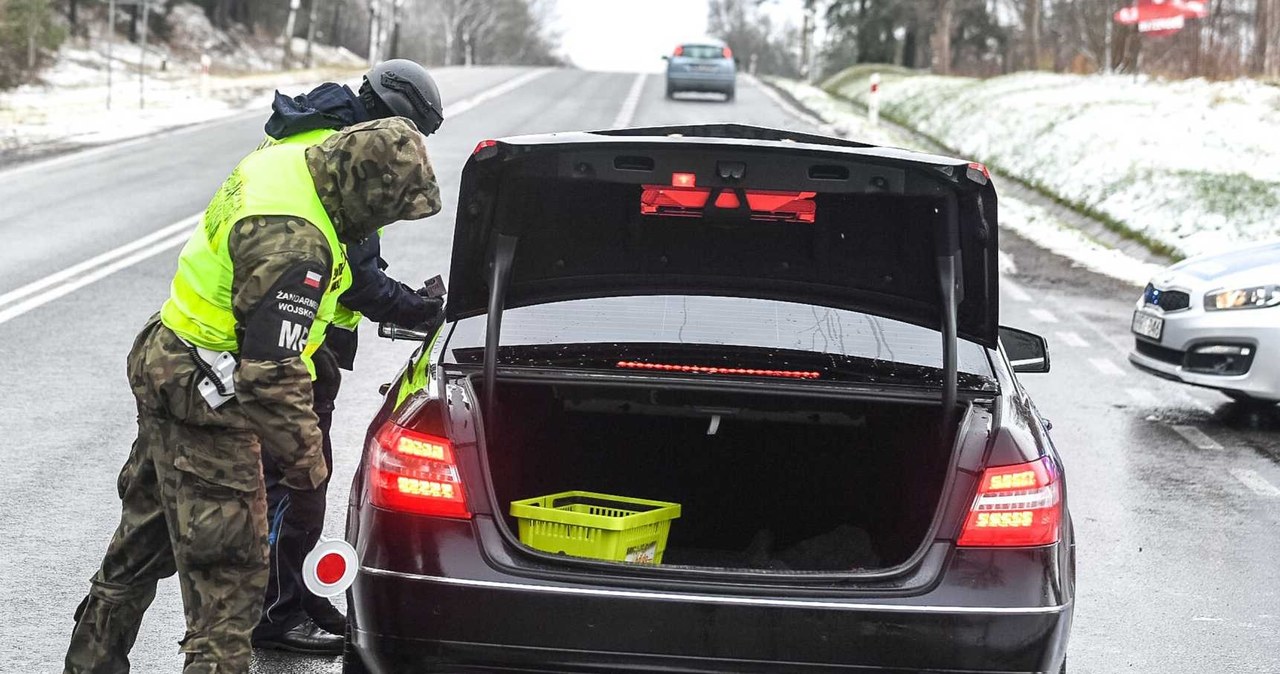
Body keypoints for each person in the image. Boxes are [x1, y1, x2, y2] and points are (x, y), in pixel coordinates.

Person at [63, 117, 441, 674]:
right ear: (367, 188)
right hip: (211, 398)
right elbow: (270, 375)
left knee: (138, 549)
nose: (382, 224)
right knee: (228, 591)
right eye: (386, 209)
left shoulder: (288, 161)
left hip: (170, 354)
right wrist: (308, 463)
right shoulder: (295, 246)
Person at [248, 60, 447, 655]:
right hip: (290, 345)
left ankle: (293, 592)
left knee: (289, 484)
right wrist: (423, 311)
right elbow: (357, 278)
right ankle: (275, 616)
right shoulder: (345, 159)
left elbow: (353, 264)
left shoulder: (314, 130)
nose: (405, 150)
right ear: (390, 116)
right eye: (408, 133)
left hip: (305, 334)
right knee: (296, 486)